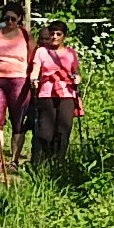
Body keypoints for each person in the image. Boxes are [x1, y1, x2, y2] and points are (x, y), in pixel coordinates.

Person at [0, 3, 34, 172]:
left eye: (13, 19)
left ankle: (14, 160)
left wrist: (33, 79)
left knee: (18, 120)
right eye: (6, 19)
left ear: (20, 19)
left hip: (19, 81)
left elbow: (33, 59)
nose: (10, 22)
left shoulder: (26, 36)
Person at [28, 20, 82, 163]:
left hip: (66, 94)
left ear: (64, 36)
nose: (55, 37)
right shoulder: (41, 51)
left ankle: (59, 161)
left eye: (59, 34)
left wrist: (77, 78)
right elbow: (35, 71)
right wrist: (34, 80)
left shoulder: (70, 53)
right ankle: (46, 158)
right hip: (46, 93)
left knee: (63, 129)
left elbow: (76, 72)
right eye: (52, 34)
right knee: (45, 131)